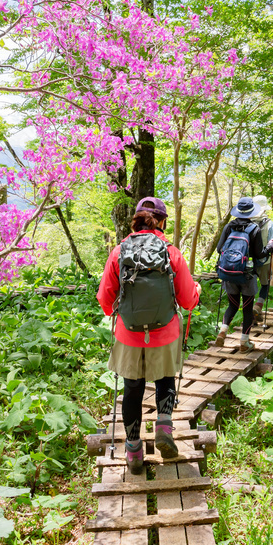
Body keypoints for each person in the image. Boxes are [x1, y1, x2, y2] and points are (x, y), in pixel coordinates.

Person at [97, 197, 201, 474]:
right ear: (162, 221)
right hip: (164, 331)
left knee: (132, 389)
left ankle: (133, 452)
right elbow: (188, 301)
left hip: (129, 333)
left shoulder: (119, 252)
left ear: (136, 220)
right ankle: (164, 426)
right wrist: (197, 292)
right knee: (166, 378)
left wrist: (116, 311)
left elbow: (104, 298)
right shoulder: (171, 253)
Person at [214, 196, 273, 352]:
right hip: (246, 274)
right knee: (247, 308)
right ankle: (244, 342)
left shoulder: (229, 226)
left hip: (228, 272)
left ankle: (222, 332)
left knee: (233, 305)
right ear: (251, 211)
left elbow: (219, 249)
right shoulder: (253, 228)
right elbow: (259, 254)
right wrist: (270, 246)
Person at [250, 195, 273, 317]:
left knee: (250, 287)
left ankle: (249, 309)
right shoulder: (268, 223)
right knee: (265, 284)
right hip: (264, 260)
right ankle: (258, 305)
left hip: (248, 261)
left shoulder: (246, 221)